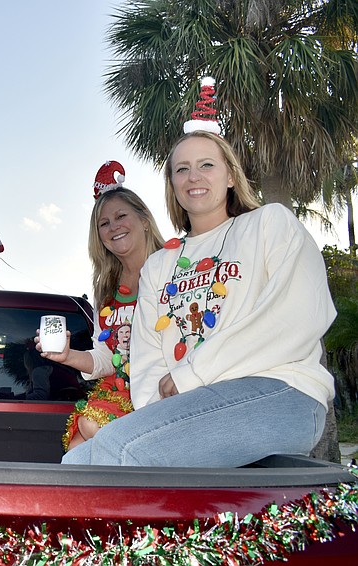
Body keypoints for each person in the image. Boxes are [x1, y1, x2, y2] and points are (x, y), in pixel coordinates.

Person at [62, 126, 335, 467]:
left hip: (282, 389)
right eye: (182, 169)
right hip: (190, 404)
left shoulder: (268, 224)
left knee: (120, 447)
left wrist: (191, 374)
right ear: (172, 184)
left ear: (231, 175)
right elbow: (148, 359)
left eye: (206, 165)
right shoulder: (160, 265)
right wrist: (153, 420)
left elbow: (297, 316)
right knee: (76, 463)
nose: (193, 176)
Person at [37, 161, 165, 452]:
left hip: (162, 389)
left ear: (144, 218)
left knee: (90, 428)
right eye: (104, 223)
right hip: (118, 388)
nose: (113, 227)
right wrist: (67, 355)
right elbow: (107, 358)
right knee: (77, 448)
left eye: (121, 216)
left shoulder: (173, 266)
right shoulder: (106, 288)